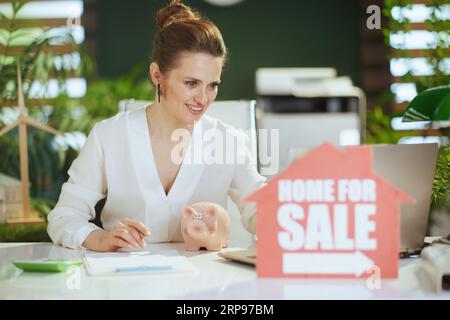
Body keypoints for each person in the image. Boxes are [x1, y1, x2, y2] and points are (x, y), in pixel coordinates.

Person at [47, 0, 266, 252]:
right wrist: (101, 239)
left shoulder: (229, 141)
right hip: (126, 283)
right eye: (191, 83)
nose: (203, 98)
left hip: (206, 285)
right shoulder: (108, 136)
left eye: (212, 85)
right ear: (157, 75)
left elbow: (259, 208)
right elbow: (64, 216)